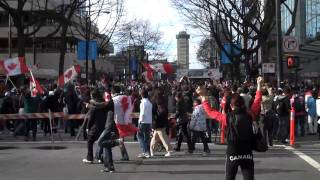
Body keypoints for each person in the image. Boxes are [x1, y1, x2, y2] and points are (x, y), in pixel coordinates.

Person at [198, 77, 263, 180]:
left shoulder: (226, 118)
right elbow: (257, 101)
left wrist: (203, 98)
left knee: (230, 177)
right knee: (249, 177)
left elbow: (210, 112)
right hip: (247, 151)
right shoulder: (250, 114)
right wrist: (259, 85)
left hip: (232, 151)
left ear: (231, 106)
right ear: (243, 104)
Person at [82, 89, 113, 164]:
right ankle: (100, 157)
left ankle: (90, 157)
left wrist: (87, 127)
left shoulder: (94, 106)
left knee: (90, 141)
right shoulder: (104, 104)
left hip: (95, 127)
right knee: (102, 142)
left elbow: (91, 118)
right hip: (104, 126)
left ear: (93, 96)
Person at [150, 91, 173, 157]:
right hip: (162, 123)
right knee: (157, 137)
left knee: (161, 138)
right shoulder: (163, 103)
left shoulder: (154, 103)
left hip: (156, 123)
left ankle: (169, 150)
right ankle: (152, 151)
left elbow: (152, 113)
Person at [137, 89, 153, 158]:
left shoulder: (143, 102)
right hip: (149, 122)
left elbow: (142, 113)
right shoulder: (149, 102)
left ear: (141, 95)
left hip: (143, 122)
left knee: (139, 135)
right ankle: (148, 152)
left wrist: (140, 120)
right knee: (146, 137)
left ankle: (145, 151)